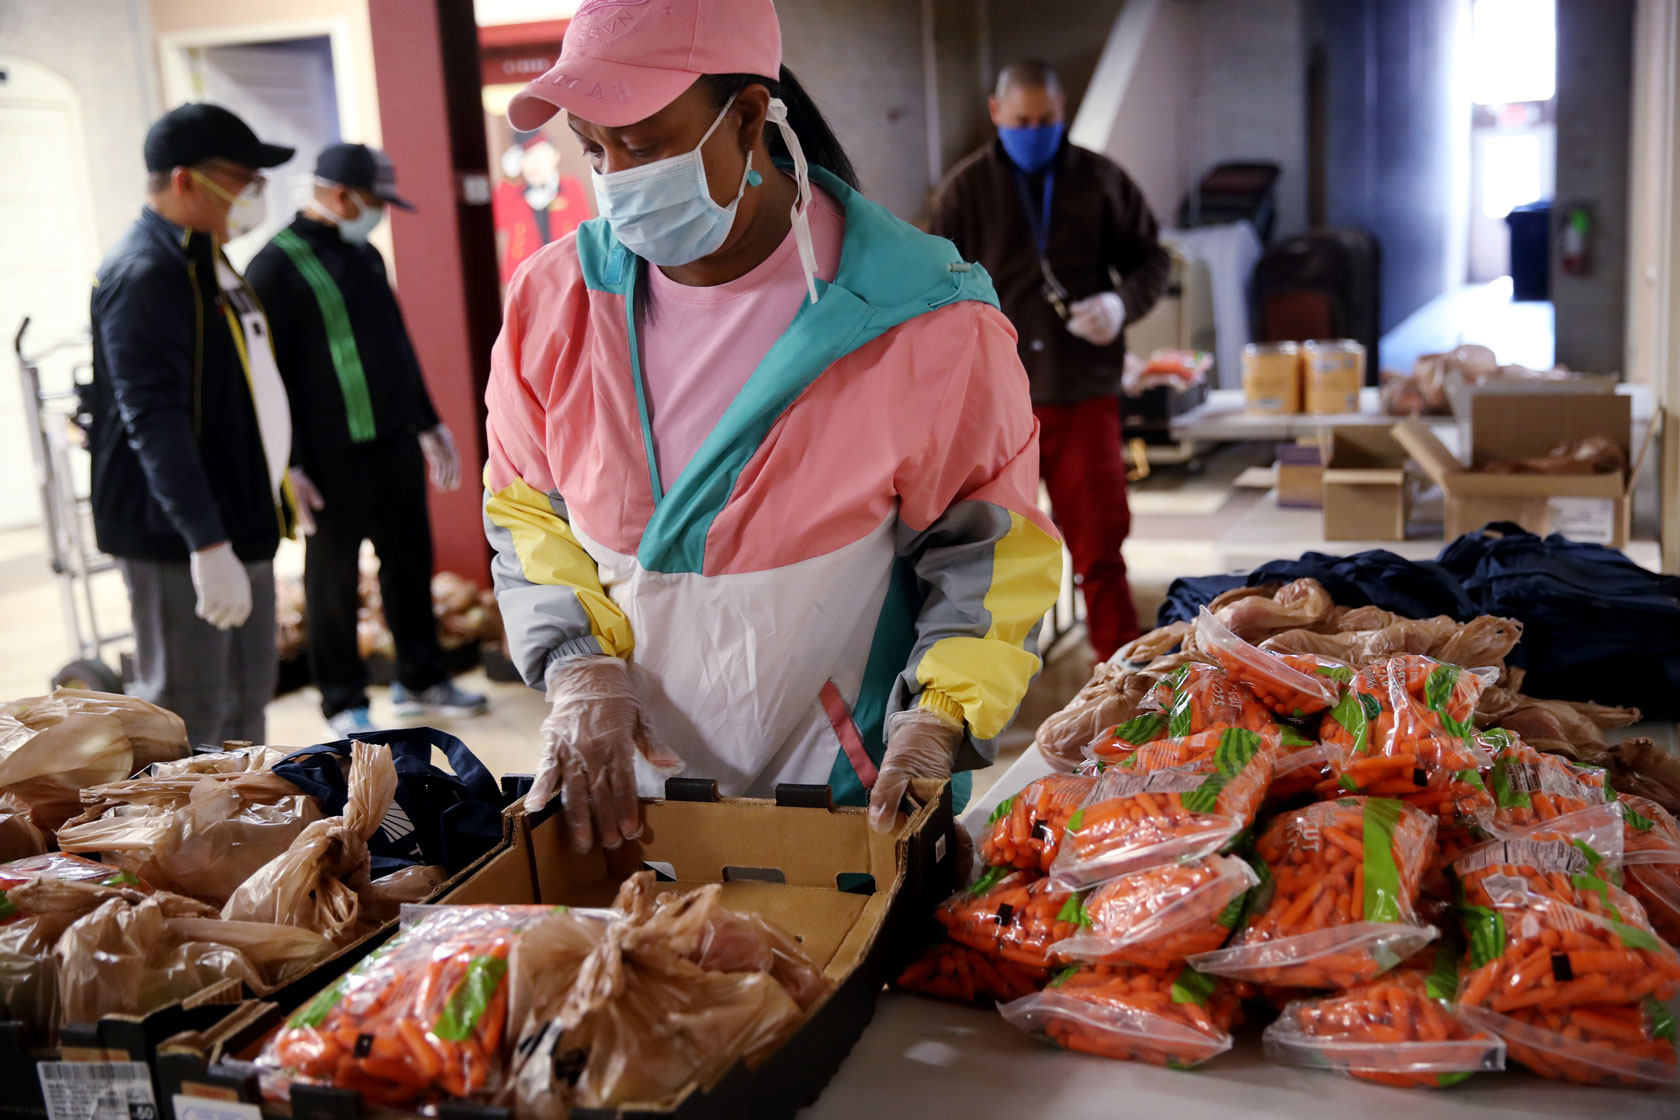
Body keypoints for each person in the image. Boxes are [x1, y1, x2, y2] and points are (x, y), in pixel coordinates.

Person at [484, 0, 1062, 853]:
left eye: (642, 146)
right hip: (638, 794)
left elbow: (992, 547)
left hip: (843, 795)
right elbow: (527, 512)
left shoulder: (920, 316)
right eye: (593, 147)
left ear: (750, 114)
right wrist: (578, 668)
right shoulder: (554, 302)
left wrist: (941, 717)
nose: (615, 179)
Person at [246, 143, 488, 737]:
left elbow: (394, 345)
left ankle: (421, 677)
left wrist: (427, 420)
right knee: (331, 578)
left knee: (409, 562)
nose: (378, 213)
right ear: (343, 196)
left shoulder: (366, 255)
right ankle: (342, 699)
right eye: (374, 202)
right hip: (326, 456)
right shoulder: (273, 266)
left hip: (392, 441)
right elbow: (264, 376)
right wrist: (289, 463)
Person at [933, 61, 1170, 662]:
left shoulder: (1100, 179)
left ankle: (1121, 666)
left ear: (1061, 115)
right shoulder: (965, 190)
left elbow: (1151, 261)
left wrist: (1120, 304)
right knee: (992, 551)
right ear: (996, 113)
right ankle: (982, 680)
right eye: (1021, 121)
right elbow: (935, 282)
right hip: (997, 401)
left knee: (1099, 541)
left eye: (1046, 121)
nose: (1034, 131)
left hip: (1082, 389)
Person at [88, 103, 296, 747]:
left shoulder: (209, 260)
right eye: (242, 179)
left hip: (242, 515)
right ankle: (176, 844)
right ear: (185, 182)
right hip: (178, 531)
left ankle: (244, 837)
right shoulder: (146, 273)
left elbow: (250, 382)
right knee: (187, 714)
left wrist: (288, 473)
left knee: (246, 703)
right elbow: (152, 416)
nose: (252, 195)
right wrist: (205, 541)